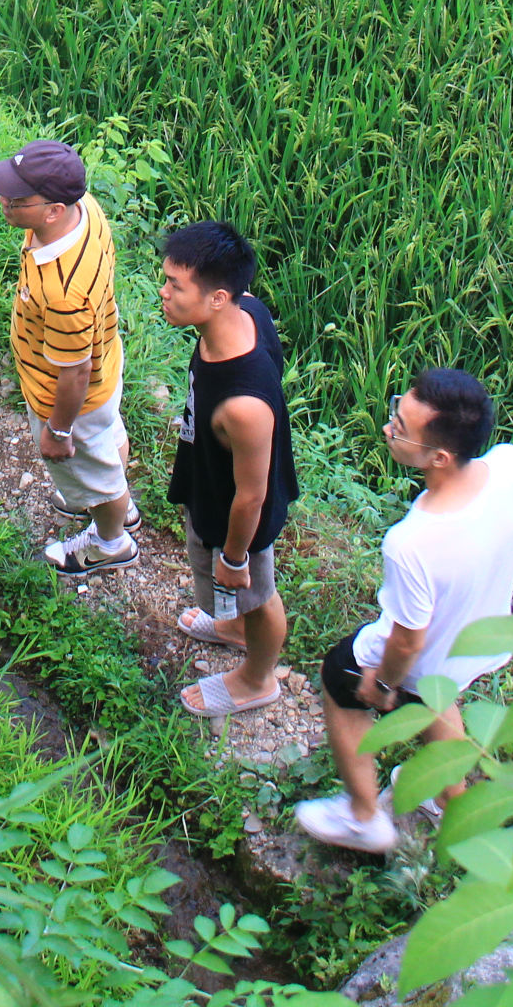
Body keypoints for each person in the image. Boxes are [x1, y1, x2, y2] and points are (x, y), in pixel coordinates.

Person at [295, 369, 513, 854]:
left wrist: (382, 685)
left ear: (440, 457)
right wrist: (495, 595)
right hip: (482, 637)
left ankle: (364, 817)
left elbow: (408, 639)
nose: (388, 428)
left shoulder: (412, 543)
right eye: (395, 412)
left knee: (338, 677)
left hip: (419, 660)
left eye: (400, 426)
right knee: (439, 703)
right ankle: (455, 805)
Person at [159, 220, 297, 718]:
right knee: (234, 591)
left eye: (176, 285)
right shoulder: (246, 310)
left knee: (258, 594)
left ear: (218, 297)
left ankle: (257, 679)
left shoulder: (244, 404)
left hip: (241, 514)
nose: (164, 292)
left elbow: (251, 497)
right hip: (213, 479)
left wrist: (234, 557)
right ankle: (232, 627)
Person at [0, 141, 133, 575]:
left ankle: (110, 541)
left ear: (52, 211)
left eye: (16, 199)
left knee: (95, 472)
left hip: (71, 399)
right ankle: (115, 506)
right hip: (106, 356)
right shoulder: (82, 205)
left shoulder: (64, 294)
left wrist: (59, 428)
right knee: (106, 440)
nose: (4, 202)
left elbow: (74, 375)